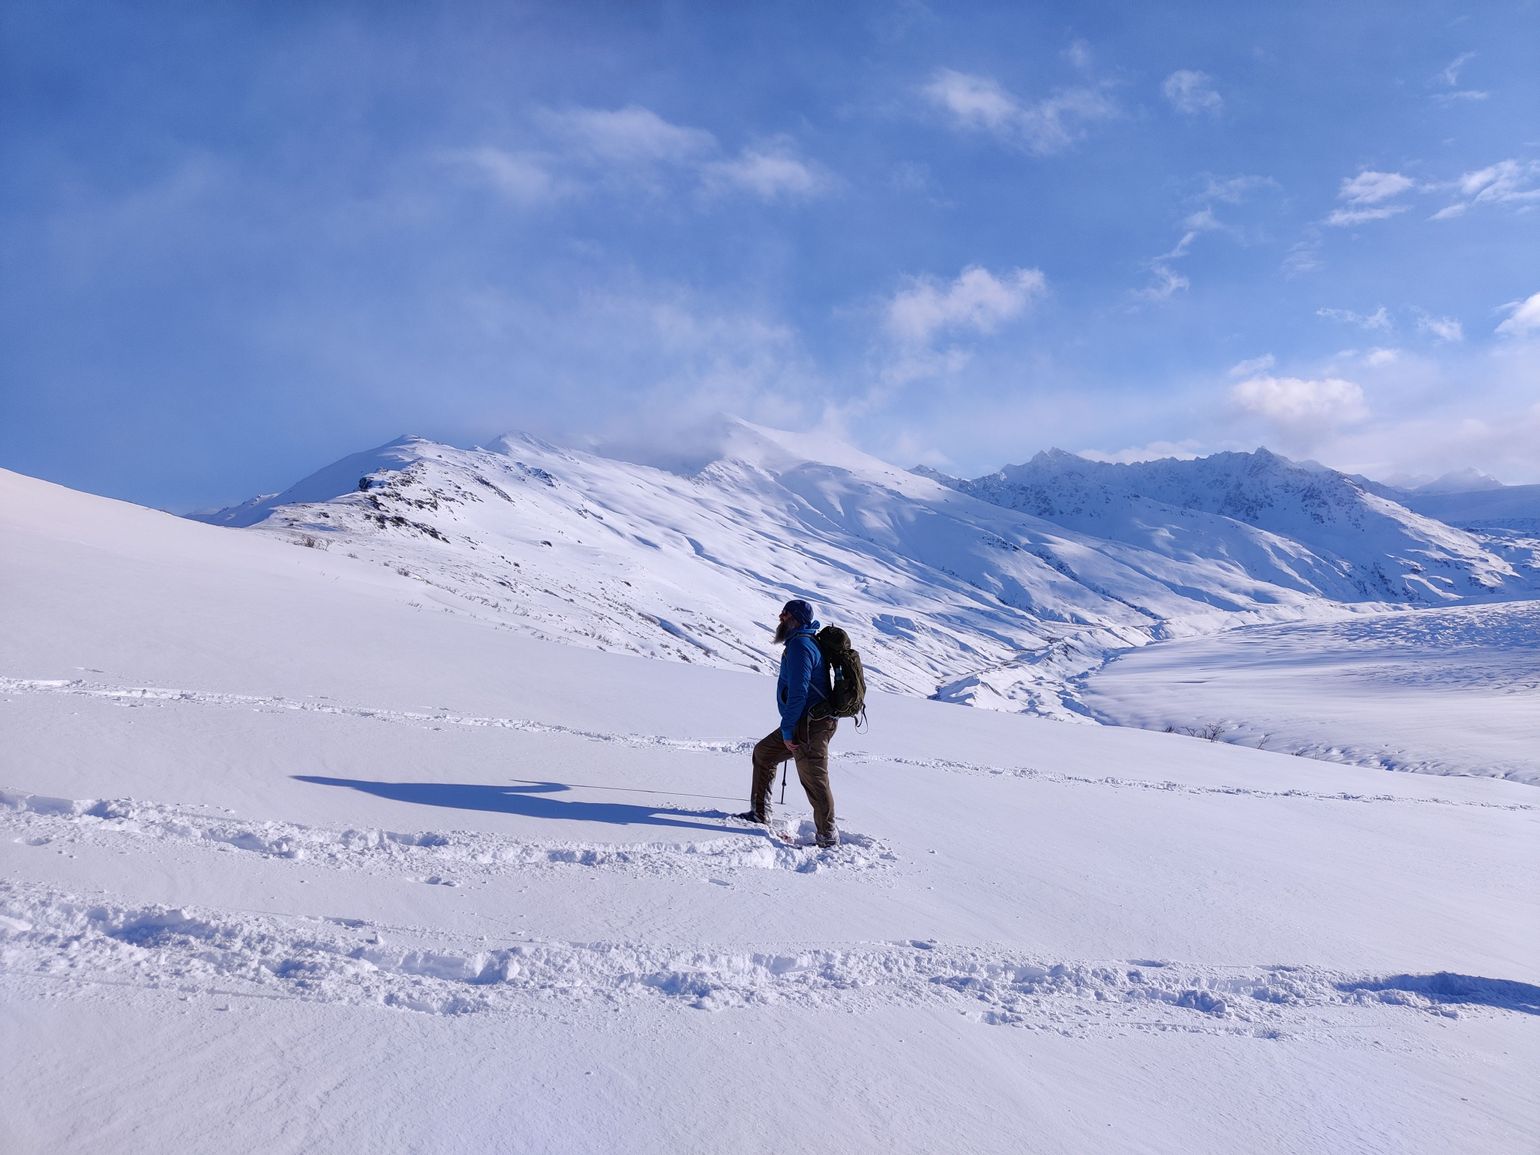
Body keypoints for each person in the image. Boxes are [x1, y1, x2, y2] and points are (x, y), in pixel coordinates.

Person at [738, 598, 840, 847]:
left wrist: (787, 729)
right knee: (764, 753)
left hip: (811, 725)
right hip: (805, 722)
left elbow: (798, 692)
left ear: (795, 619)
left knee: (814, 778)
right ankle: (759, 813)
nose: (780, 617)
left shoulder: (801, 646)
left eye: (785, 614)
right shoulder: (801, 642)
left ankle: (827, 835)